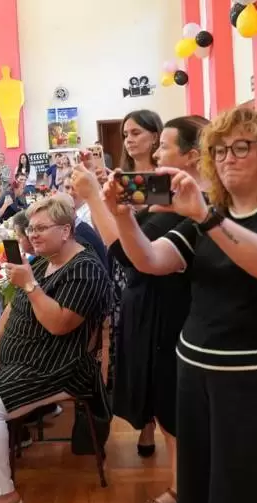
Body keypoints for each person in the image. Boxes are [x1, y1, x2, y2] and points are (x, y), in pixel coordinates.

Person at [114, 107, 257, 503]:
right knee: (197, 486)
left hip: (253, 377)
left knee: (242, 494)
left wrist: (207, 217)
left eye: (241, 147)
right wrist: (121, 217)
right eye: (220, 150)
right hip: (194, 370)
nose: (227, 158)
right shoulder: (205, 216)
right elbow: (151, 260)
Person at [73, 115, 208, 503]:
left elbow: (129, 254)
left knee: (179, 415)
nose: (157, 154)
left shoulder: (193, 205)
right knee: (169, 412)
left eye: (164, 146)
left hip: (174, 310)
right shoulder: (166, 193)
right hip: (155, 304)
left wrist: (94, 198)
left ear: (192, 156)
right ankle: (181, 490)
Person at [0, 197, 111, 503]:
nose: (32, 235)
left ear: (65, 231)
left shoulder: (86, 270)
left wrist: (30, 284)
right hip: (18, 356)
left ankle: (3, 497)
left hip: (58, 365)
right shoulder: (42, 262)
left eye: (40, 229)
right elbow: (14, 305)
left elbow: (58, 325)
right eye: (31, 229)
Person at [104, 110, 164, 455]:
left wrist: (109, 203)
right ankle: (146, 423)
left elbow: (141, 224)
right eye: (126, 133)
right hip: (124, 272)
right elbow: (110, 224)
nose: (129, 139)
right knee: (135, 351)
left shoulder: (163, 178)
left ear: (155, 136)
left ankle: (159, 421)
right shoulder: (121, 177)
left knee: (155, 352)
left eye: (137, 132)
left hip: (155, 267)